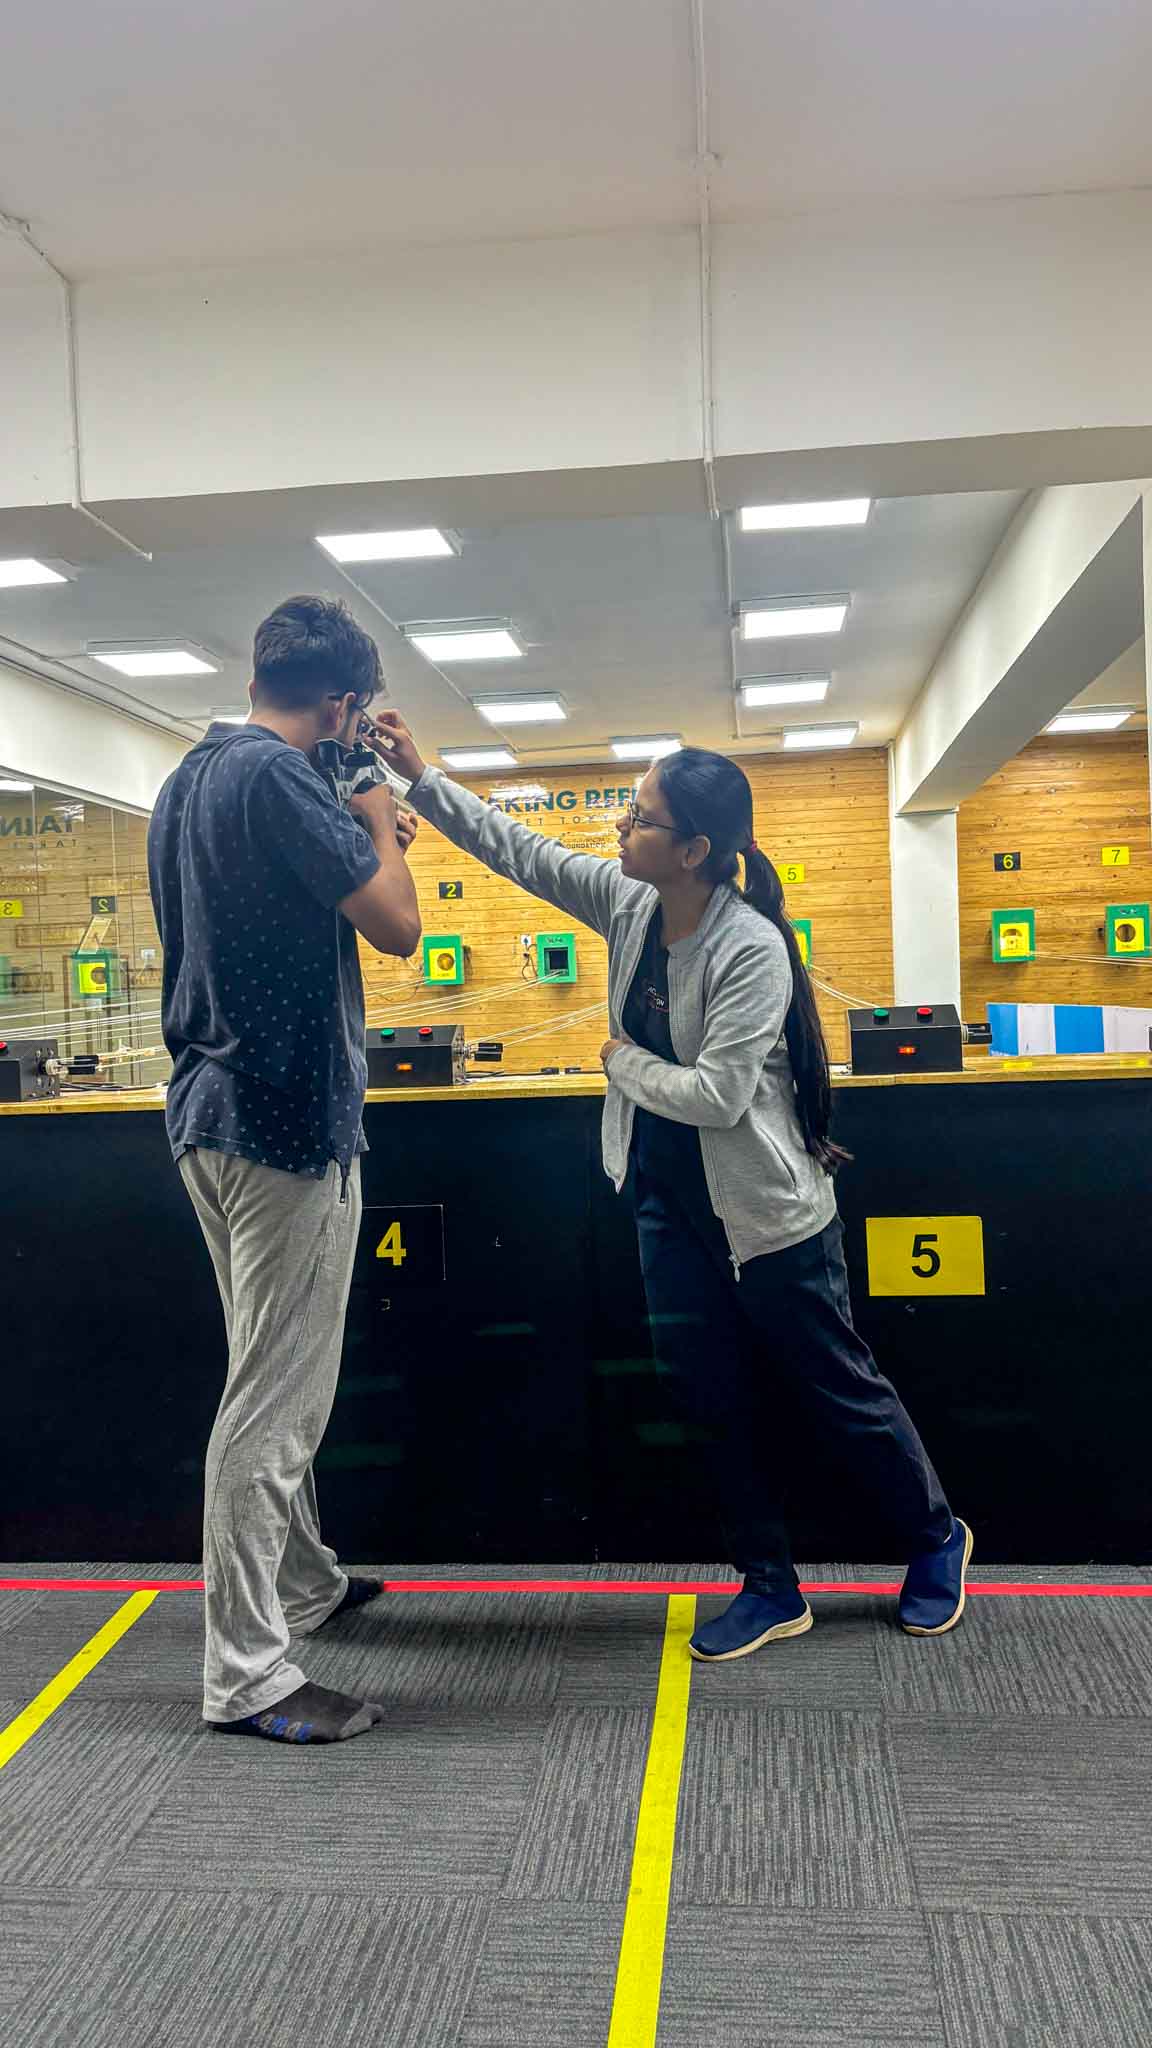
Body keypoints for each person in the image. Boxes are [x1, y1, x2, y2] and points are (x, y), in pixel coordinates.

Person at [375, 714, 971, 1661]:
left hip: (771, 1218)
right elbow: (520, 852)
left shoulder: (749, 949)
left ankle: (936, 1538)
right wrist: (420, 778)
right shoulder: (630, 905)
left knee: (837, 1391)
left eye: (641, 818)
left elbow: (721, 1096)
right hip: (670, 1206)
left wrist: (619, 1062)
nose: (622, 827)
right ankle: (771, 1587)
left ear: (694, 849)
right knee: (710, 1396)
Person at [148, 596, 422, 1743]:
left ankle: (301, 1582)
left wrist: (358, 813)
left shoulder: (191, 776)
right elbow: (399, 923)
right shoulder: (285, 779)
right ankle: (248, 1669)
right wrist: (375, 802)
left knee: (264, 1365)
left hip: (209, 1115)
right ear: (345, 703)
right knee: (275, 1399)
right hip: (286, 1124)